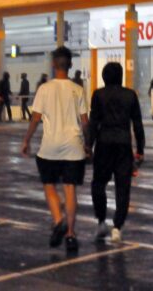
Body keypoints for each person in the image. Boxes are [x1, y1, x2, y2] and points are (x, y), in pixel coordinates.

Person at [21, 47, 89, 252]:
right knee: (70, 189)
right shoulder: (78, 89)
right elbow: (85, 122)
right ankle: (70, 235)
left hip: (49, 147)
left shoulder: (44, 89)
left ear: (53, 64)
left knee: (49, 184)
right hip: (74, 147)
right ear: (70, 65)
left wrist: (27, 140)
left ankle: (58, 220)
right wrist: (88, 144)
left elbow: (35, 118)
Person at [88, 62, 145, 243]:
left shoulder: (98, 95)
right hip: (123, 146)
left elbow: (93, 123)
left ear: (104, 77)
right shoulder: (130, 95)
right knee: (123, 188)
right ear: (121, 76)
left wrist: (89, 145)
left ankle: (101, 221)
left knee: (98, 184)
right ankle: (117, 227)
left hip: (104, 144)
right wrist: (140, 150)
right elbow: (137, 124)